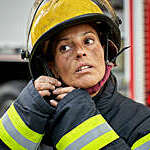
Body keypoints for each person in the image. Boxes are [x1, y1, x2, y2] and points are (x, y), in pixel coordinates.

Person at [0, 0, 150, 149]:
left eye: (88, 41)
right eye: (64, 47)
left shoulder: (143, 122)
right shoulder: (35, 117)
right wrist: (27, 109)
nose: (80, 51)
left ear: (105, 50)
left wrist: (78, 118)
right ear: (53, 66)